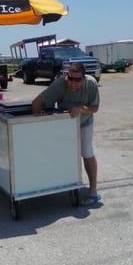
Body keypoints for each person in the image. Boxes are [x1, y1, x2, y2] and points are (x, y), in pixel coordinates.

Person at [32, 62, 101, 206]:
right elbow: (36, 103)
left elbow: (95, 108)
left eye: (77, 79)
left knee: (86, 151)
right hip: (64, 125)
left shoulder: (92, 84)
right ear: (67, 76)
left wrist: (80, 109)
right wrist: (38, 127)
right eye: (71, 78)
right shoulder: (59, 84)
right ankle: (62, 184)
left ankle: (93, 191)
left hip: (85, 122)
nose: (74, 82)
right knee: (61, 154)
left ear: (84, 78)